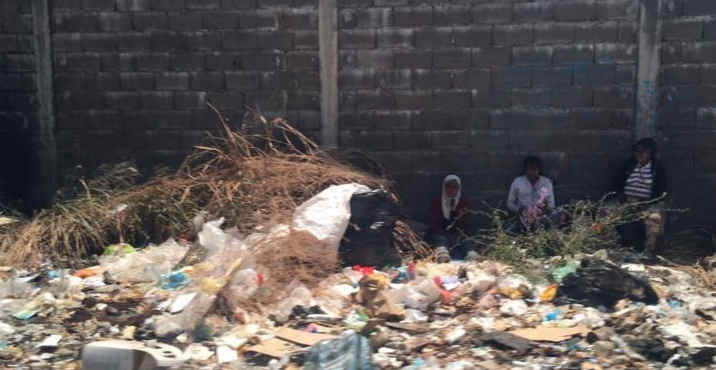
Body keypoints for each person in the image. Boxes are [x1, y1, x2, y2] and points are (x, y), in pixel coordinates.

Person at [611, 137, 668, 255]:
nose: (639, 154)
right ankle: (609, 247)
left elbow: (660, 191)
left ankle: (648, 252)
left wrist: (647, 203)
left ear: (651, 153)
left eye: (643, 151)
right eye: (637, 150)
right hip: (626, 200)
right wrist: (621, 196)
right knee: (604, 213)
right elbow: (616, 183)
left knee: (655, 218)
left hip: (647, 202)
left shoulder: (658, 167)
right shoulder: (628, 164)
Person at [428, 175, 478, 263]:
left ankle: (472, 256)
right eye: (448, 186)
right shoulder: (436, 201)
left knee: (466, 241)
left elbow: (466, 223)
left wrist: (459, 235)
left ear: (459, 189)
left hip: (457, 234)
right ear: (444, 187)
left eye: (455, 187)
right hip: (441, 232)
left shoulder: (463, 202)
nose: (451, 190)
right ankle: (442, 255)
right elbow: (434, 224)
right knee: (441, 240)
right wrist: (447, 236)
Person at [506, 156, 556, 233]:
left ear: (539, 170)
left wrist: (544, 209)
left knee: (557, 218)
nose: (532, 172)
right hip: (521, 217)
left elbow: (552, 205)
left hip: (541, 218)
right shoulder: (518, 182)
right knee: (509, 226)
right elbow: (510, 203)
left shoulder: (547, 183)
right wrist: (519, 210)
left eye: (535, 169)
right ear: (525, 169)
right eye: (529, 169)